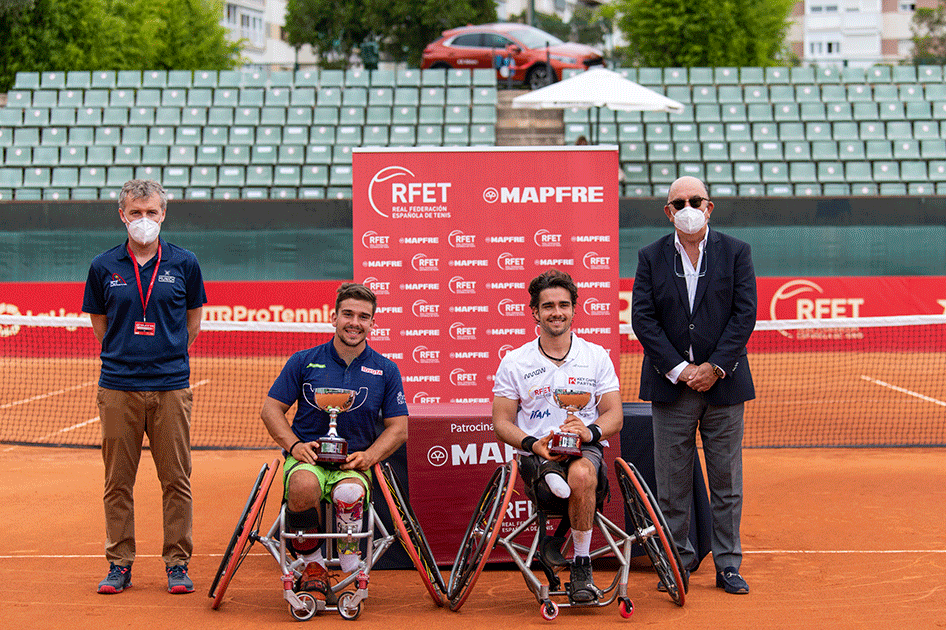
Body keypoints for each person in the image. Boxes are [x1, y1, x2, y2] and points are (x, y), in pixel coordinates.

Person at [631, 176, 756, 595]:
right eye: (678, 201)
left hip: (724, 386)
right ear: (668, 211)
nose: (687, 206)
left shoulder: (737, 252)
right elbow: (643, 319)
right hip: (672, 388)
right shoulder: (650, 257)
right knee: (672, 484)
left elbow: (744, 315)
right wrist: (682, 370)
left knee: (727, 483)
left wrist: (715, 367)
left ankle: (728, 565)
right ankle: (678, 562)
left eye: (694, 200)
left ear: (709, 207)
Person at [83, 179, 207, 595]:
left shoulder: (184, 263)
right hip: (118, 386)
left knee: (176, 479)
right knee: (118, 481)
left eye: (151, 212)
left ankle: (177, 563)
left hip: (171, 386)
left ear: (163, 215)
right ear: (122, 215)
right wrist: (129, 352)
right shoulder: (103, 266)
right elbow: (101, 326)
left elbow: (193, 322)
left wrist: (166, 354)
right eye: (135, 213)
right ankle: (119, 563)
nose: (144, 220)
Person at [261, 282, 408, 601]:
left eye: (363, 316)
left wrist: (369, 456)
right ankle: (312, 567)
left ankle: (350, 562)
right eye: (348, 314)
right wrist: (294, 446)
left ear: (372, 322)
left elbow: (398, 428)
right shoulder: (303, 360)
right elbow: (271, 409)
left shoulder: (385, 369)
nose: (355, 322)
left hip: (353, 464)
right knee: (302, 487)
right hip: (308, 459)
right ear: (334, 317)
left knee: (350, 492)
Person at [492, 269, 623, 603]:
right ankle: (550, 475)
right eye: (548, 306)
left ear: (574, 309)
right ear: (534, 312)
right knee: (553, 468)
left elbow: (614, 414)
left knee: (581, 473)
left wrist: (589, 431)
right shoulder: (515, 361)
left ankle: (581, 565)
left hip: (585, 451)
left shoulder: (595, 356)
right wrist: (531, 443)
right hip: (537, 454)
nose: (557, 312)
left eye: (564, 305)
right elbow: (502, 421)